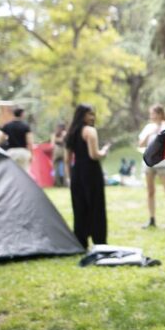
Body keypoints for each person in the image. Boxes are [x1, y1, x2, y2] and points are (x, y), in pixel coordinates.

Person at [65, 104, 109, 249]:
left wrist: (69, 177)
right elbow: (94, 155)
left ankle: (81, 241)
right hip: (91, 171)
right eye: (90, 114)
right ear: (82, 115)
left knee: (79, 207)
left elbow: (67, 159)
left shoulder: (71, 132)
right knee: (96, 205)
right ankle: (99, 241)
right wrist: (104, 151)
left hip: (77, 171)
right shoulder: (90, 131)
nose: (92, 117)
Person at [2, 107, 34, 172]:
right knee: (25, 172)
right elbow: (29, 142)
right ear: (22, 114)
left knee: (12, 172)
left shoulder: (7, 125)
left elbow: (1, 139)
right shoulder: (25, 126)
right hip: (23, 152)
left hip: (11, 152)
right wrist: (31, 154)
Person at [52, 122, 67, 186]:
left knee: (56, 167)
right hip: (64, 150)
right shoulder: (65, 133)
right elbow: (65, 141)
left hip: (57, 150)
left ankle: (57, 183)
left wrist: (56, 140)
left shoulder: (55, 134)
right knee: (65, 167)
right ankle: (65, 183)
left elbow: (52, 143)